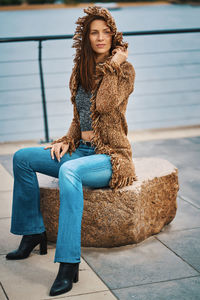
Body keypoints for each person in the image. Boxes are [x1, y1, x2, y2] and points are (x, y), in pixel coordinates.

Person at [5, 5, 137, 297]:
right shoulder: (81, 69)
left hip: (110, 157)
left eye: (106, 32)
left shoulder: (124, 70)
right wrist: (66, 139)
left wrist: (114, 64)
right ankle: (33, 232)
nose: (100, 37)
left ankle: (68, 263)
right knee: (23, 158)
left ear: (113, 36)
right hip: (81, 150)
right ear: (86, 37)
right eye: (94, 32)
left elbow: (104, 105)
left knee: (68, 171)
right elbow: (81, 117)